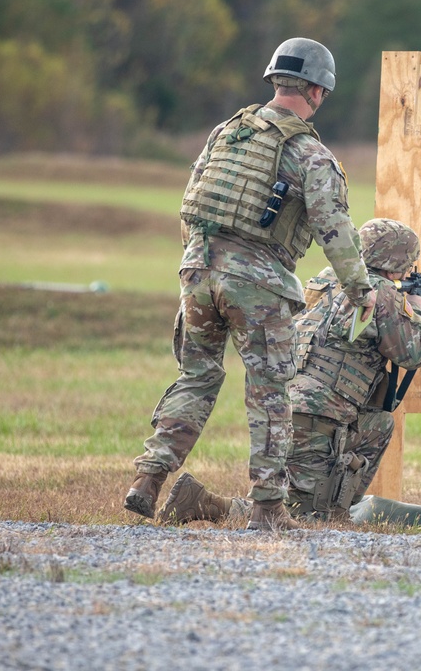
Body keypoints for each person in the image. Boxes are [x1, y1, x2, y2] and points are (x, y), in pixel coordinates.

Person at [124, 37, 376, 532]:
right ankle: (266, 510)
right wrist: (360, 291)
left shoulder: (227, 132)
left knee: (196, 378)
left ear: (276, 81)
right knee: (269, 394)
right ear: (319, 91)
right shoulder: (310, 153)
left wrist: (201, 263)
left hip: (197, 269)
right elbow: (335, 229)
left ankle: (147, 481)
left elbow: (190, 201)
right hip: (257, 284)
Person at [157, 218, 421, 526]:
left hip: (288, 406)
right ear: (396, 265)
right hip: (315, 419)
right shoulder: (380, 293)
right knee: (303, 516)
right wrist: (420, 308)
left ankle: (335, 506)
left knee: (379, 424)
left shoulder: (327, 280)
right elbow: (414, 352)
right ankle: (203, 502)